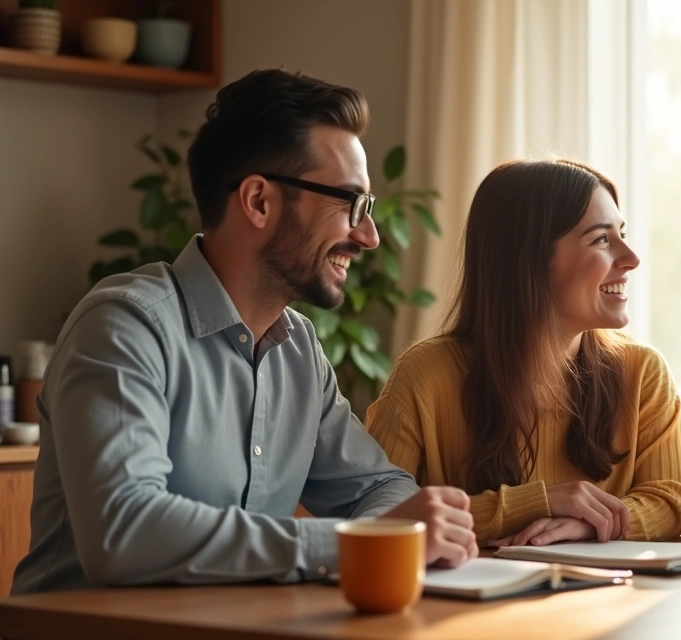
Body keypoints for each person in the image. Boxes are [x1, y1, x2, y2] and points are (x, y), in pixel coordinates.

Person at [12, 69, 478, 595]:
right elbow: (124, 531)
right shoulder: (124, 326)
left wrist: (387, 531)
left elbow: (383, 487)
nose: (368, 235)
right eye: (350, 203)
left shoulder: (299, 350)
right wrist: (350, 545)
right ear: (258, 201)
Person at [366, 159, 681, 547]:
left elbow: (672, 502)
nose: (631, 258)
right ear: (529, 260)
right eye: (602, 239)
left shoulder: (643, 372)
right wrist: (539, 503)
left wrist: (588, 525)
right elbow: (381, 518)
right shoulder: (425, 375)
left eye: (621, 233)